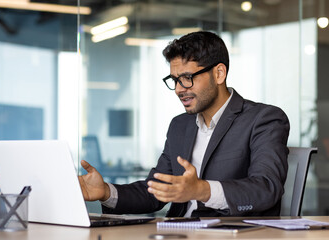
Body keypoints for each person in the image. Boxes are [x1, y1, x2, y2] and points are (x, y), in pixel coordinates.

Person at [79, 31, 290, 217]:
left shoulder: (264, 119)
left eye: (187, 77)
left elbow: (266, 188)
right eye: (175, 80)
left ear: (219, 73)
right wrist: (106, 192)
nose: (179, 89)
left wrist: (202, 190)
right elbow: (155, 192)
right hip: (178, 230)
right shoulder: (180, 125)